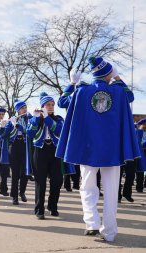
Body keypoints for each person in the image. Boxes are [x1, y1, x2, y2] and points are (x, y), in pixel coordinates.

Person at [56, 57, 140, 242]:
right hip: (112, 150)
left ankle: (91, 223)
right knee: (111, 190)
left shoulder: (81, 91)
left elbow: (61, 102)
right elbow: (130, 97)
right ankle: (109, 232)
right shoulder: (118, 91)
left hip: (88, 148)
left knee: (86, 186)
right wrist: (118, 78)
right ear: (108, 73)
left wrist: (72, 83)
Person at [27, 92, 64, 220]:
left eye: (52, 104)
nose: (51, 106)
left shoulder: (58, 119)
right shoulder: (34, 118)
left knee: (57, 180)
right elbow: (30, 133)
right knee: (40, 181)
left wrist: (47, 117)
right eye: (48, 105)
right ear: (43, 106)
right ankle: (39, 209)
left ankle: (52, 206)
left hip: (54, 151)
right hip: (40, 151)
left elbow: (58, 130)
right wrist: (37, 117)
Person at [2, 100, 32, 204]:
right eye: (22, 108)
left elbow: (29, 130)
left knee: (24, 172)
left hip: (24, 146)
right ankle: (14, 196)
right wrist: (4, 125)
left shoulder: (29, 119)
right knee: (15, 173)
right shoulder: (12, 120)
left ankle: (22, 192)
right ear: (17, 110)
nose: (25, 109)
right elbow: (5, 135)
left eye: (25, 107)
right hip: (14, 146)